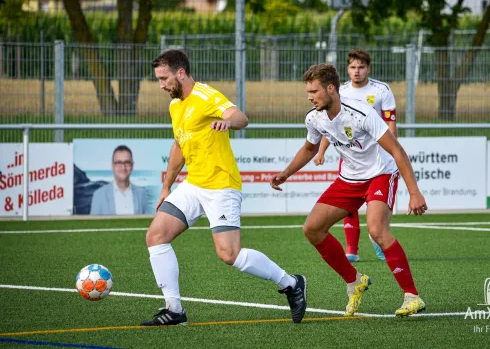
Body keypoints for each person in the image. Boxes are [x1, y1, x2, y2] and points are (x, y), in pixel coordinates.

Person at [141, 49, 307, 326]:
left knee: (229, 254)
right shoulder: (175, 105)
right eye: (158, 79)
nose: (161, 85)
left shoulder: (206, 95)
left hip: (220, 185)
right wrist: (166, 187)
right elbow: (179, 146)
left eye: (164, 78)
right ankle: (174, 310)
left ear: (180, 73)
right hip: (193, 184)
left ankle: (291, 283)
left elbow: (241, 117)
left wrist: (227, 121)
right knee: (156, 237)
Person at [270, 64, 427, 317]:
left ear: (330, 89)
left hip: (380, 174)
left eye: (314, 91)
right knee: (312, 229)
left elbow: (397, 150)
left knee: (376, 230)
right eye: (307, 92)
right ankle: (355, 281)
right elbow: (309, 149)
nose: (309, 97)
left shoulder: (361, 113)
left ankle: (412, 295)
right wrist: (286, 173)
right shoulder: (314, 117)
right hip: (349, 179)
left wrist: (414, 192)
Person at [313, 49, 396, 263]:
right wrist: (321, 151)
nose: (356, 71)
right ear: (347, 69)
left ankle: (376, 235)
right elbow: (330, 126)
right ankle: (352, 248)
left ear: (368, 68)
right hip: (350, 154)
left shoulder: (381, 90)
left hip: (376, 155)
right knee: (349, 203)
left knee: (375, 208)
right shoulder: (340, 92)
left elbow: (390, 123)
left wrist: (392, 149)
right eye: (352, 67)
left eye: (361, 67)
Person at [90, 145, 149, 215]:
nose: (123, 167)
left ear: (132, 165)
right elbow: (93, 225)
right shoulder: (99, 195)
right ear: (112, 166)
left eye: (127, 162)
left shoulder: (142, 194)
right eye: (118, 163)